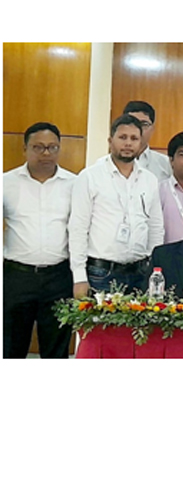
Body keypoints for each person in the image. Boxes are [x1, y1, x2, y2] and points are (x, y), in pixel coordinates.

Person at [69, 115, 164, 297]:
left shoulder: (149, 179)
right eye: (122, 137)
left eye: (134, 138)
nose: (128, 143)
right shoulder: (90, 177)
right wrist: (79, 277)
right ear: (110, 141)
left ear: (141, 143)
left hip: (141, 272)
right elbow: (78, 228)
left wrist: (154, 270)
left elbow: (156, 227)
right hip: (101, 273)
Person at [3, 122, 76, 358]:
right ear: (25, 149)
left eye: (52, 147)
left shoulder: (74, 184)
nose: (46, 153)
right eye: (38, 147)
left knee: (56, 351)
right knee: (10, 348)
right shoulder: (6, 183)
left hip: (59, 278)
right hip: (16, 277)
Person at [122, 100, 171, 180]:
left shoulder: (166, 164)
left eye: (144, 124)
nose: (138, 129)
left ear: (152, 129)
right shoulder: (107, 164)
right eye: (132, 123)